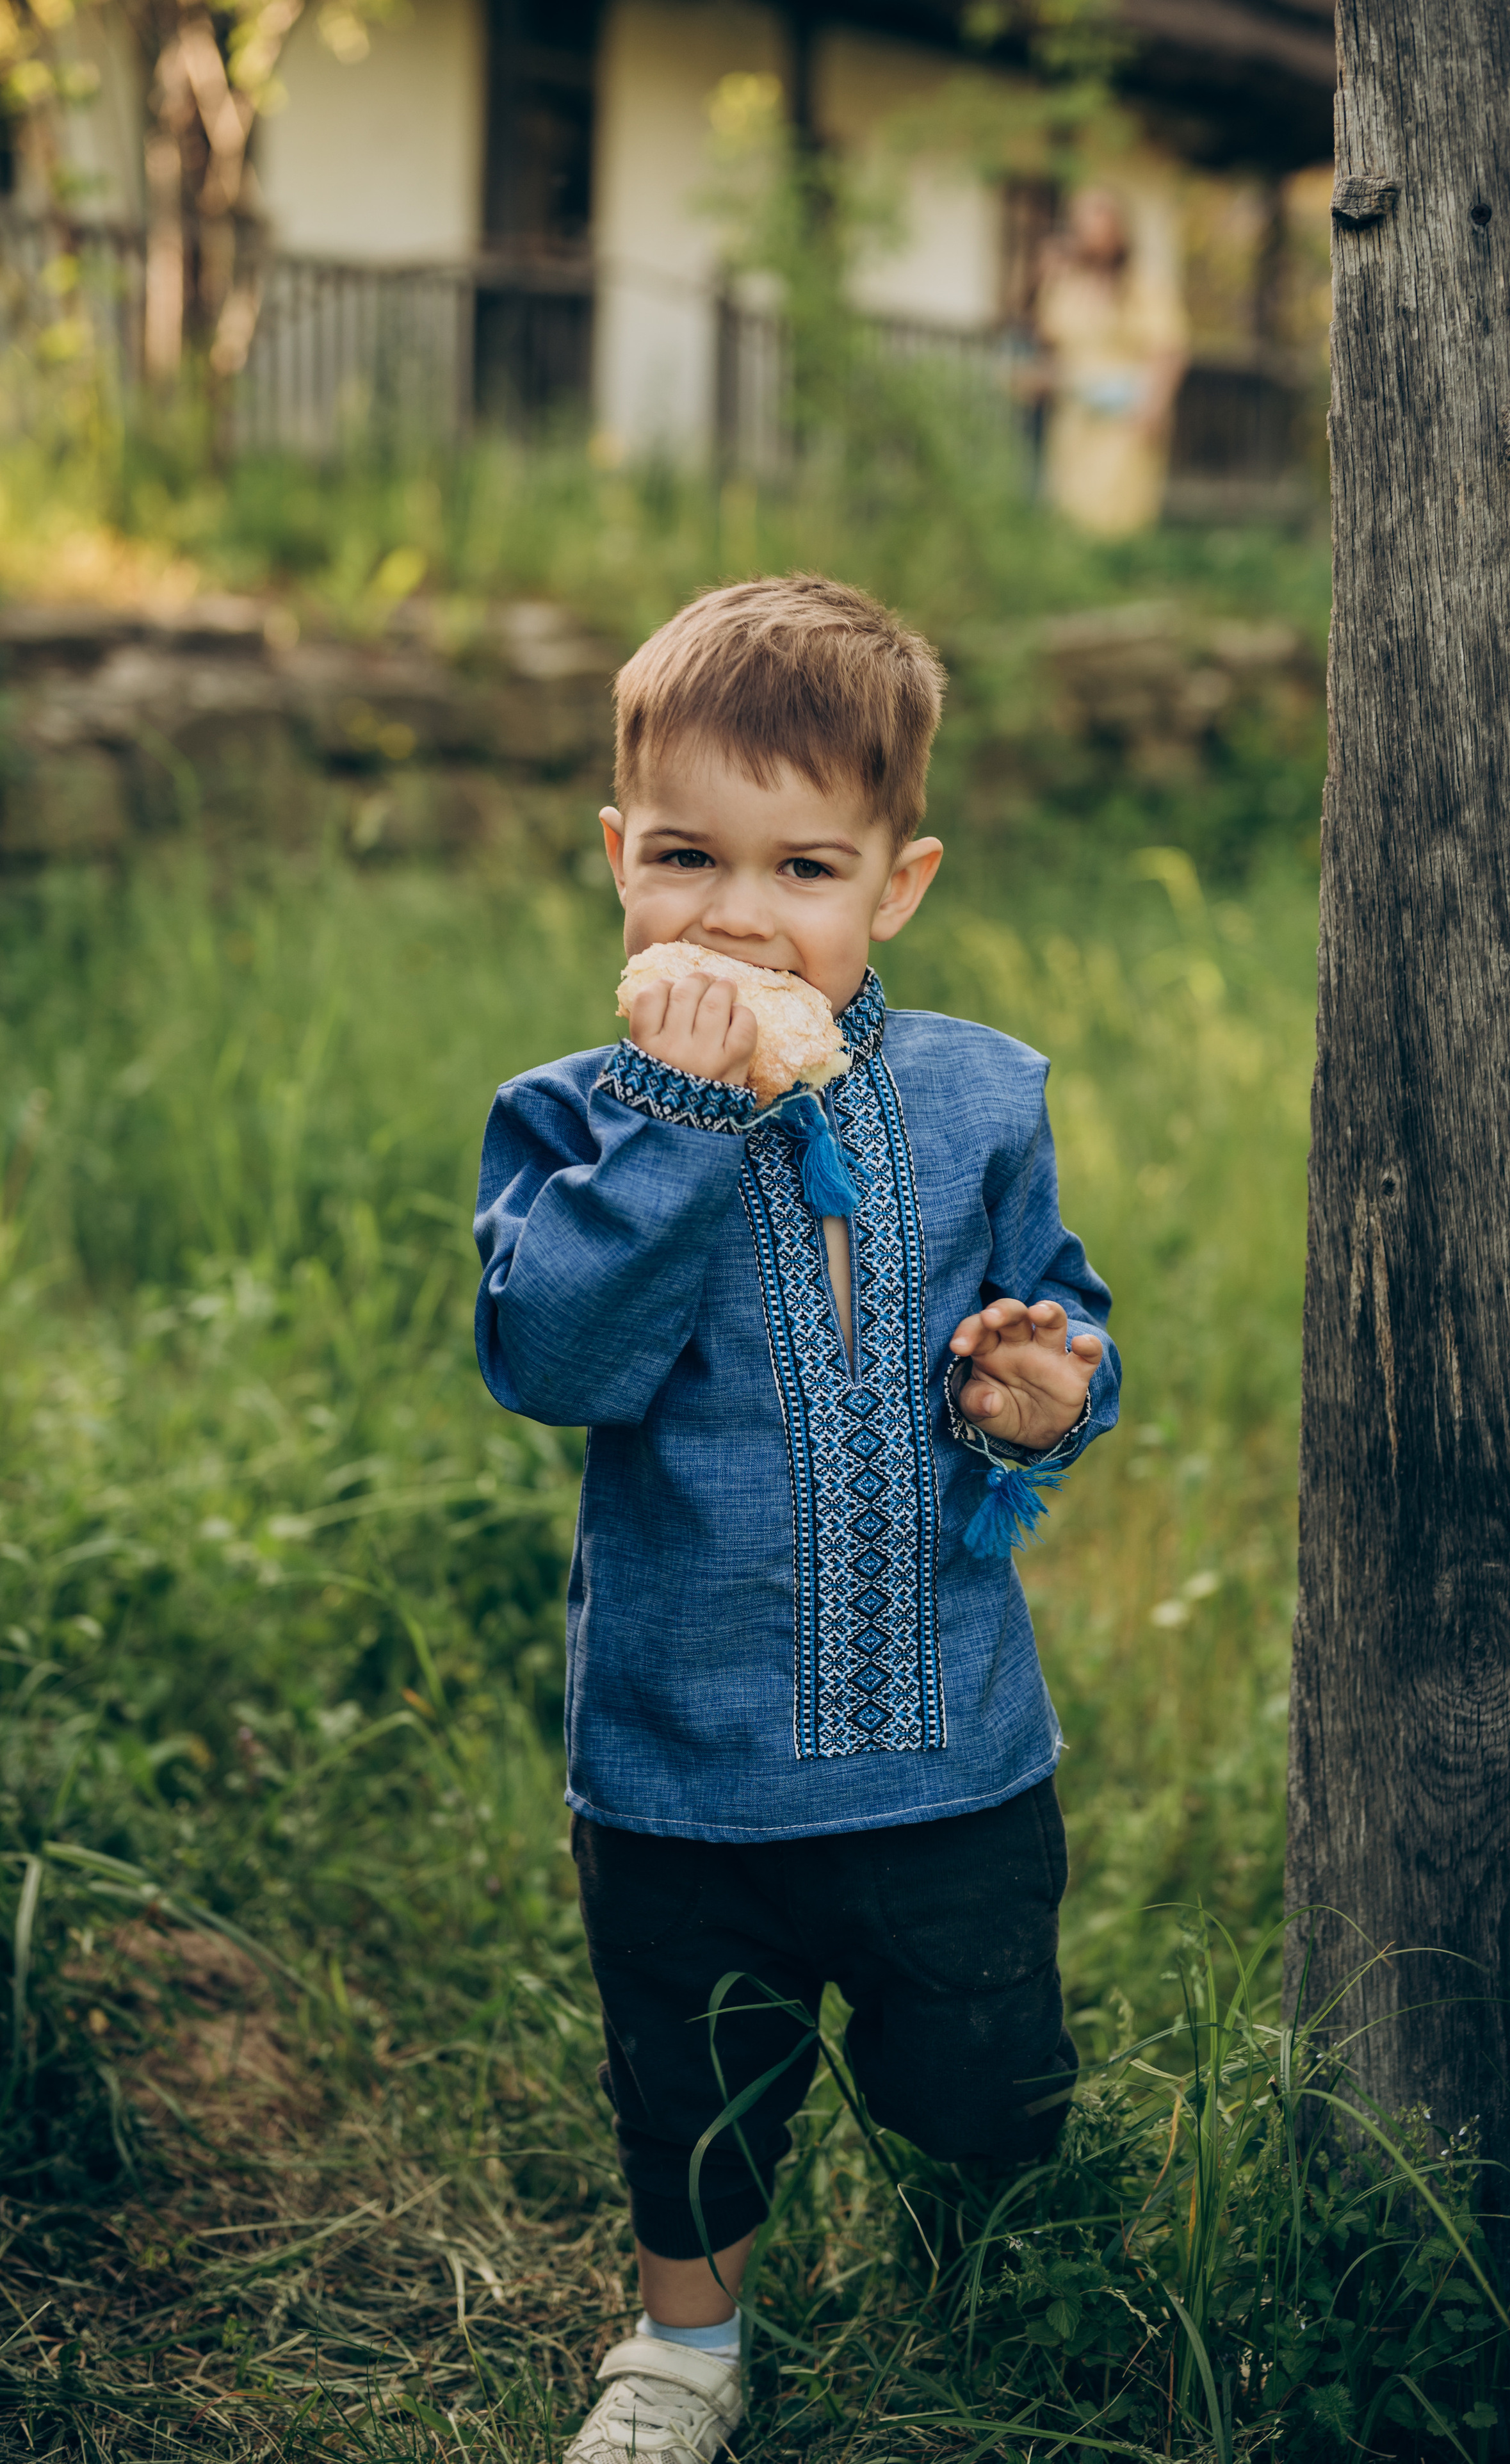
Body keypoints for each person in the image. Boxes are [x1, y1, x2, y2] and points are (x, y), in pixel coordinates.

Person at [473, 573, 1122, 2464]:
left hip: (947, 1750)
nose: (739, 913)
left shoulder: (983, 1095)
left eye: (803, 868)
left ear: (892, 885)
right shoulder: (571, 1118)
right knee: (690, 2073)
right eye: (684, 855)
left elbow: (1059, 1314)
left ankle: (985, 2210)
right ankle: (686, 2344)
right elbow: (562, 1359)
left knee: (983, 2063)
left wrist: (1045, 1393)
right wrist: (674, 1115)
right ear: (615, 860)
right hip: (686, 1766)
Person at [1035, 185, 1189, 535]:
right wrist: (1045, 275)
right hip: (1077, 416)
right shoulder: (1066, 285)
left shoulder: (1144, 286)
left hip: (1127, 415)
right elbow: (1051, 342)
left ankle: (1120, 571)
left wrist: (1156, 406)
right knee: (1071, 507)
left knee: (1117, 509)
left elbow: (1168, 350)